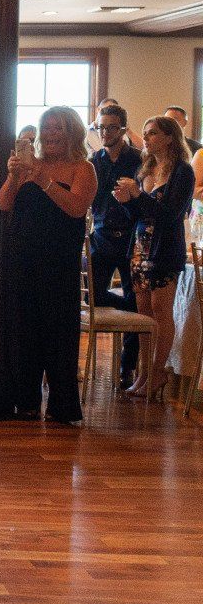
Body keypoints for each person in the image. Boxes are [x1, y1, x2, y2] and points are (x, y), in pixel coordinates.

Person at [0, 107, 96, 425]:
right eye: (46, 127)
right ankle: (24, 400)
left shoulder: (83, 169)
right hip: (22, 261)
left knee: (58, 333)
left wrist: (45, 181)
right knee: (23, 331)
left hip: (58, 264)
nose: (51, 133)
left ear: (72, 133)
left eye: (59, 128)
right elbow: (4, 203)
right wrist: (15, 177)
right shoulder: (30, 165)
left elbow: (76, 208)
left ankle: (61, 406)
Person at [117, 116, 194, 401]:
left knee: (161, 311)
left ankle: (158, 370)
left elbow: (169, 215)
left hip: (165, 249)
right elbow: (138, 215)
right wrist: (126, 201)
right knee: (144, 315)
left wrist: (138, 195)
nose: (146, 139)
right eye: (146, 133)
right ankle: (144, 373)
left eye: (152, 134)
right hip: (139, 247)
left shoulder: (182, 172)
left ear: (170, 137)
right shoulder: (144, 168)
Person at [87, 103, 143, 384]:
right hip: (100, 237)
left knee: (136, 298)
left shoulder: (138, 160)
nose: (105, 132)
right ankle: (128, 306)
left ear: (122, 129)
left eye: (111, 127)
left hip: (131, 238)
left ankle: (127, 366)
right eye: (100, 127)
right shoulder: (94, 160)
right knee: (91, 296)